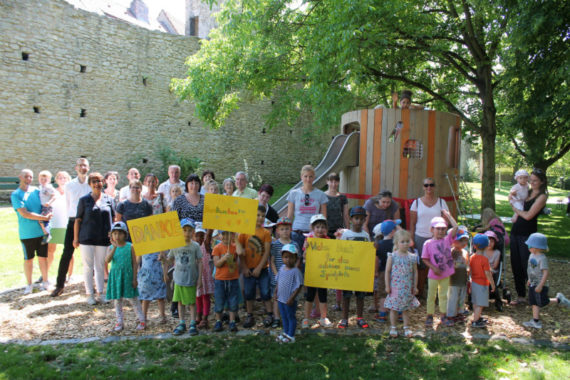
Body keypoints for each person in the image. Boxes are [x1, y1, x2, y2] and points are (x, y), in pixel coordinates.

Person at [51, 157, 91, 297]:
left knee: (89, 254)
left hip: (88, 221)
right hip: (73, 221)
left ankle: (91, 287)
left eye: (85, 165)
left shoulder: (91, 184)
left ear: (88, 168)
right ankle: (59, 285)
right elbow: (69, 205)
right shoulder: (70, 185)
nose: (82, 168)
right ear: (76, 168)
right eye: (80, 165)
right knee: (67, 253)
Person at [75, 172, 116, 305]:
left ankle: (101, 293)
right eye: (94, 181)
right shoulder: (84, 200)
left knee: (100, 266)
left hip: (103, 238)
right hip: (86, 238)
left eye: (99, 181)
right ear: (90, 184)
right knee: (88, 267)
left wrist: (113, 235)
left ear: (103, 182)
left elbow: (114, 219)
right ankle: (89, 294)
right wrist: (75, 238)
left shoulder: (109, 200)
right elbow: (77, 220)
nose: (97, 184)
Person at [509, 169, 548, 305]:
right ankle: (521, 295)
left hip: (528, 234)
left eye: (535, 180)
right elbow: (514, 197)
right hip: (516, 231)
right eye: (530, 179)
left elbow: (528, 216)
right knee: (516, 263)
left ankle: (535, 293)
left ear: (542, 181)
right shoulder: (528, 191)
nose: (531, 182)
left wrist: (514, 208)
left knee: (529, 264)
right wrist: (512, 197)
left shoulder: (542, 196)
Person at [11, 169, 51, 294]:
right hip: (27, 233)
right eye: (26, 177)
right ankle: (29, 284)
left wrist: (49, 212)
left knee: (43, 258)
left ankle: (45, 281)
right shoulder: (16, 194)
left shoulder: (36, 191)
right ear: (20, 177)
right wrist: (43, 218)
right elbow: (24, 214)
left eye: (30, 177)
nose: (28, 179)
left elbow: (49, 201)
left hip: (42, 232)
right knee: (28, 259)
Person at [409, 177, 450, 298]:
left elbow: (446, 221)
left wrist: (444, 236)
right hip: (420, 237)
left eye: (431, 185)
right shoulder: (416, 203)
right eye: (426, 185)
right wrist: (411, 239)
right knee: (421, 266)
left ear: (435, 187)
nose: (429, 188)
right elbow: (412, 223)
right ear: (423, 187)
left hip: (436, 238)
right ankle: (420, 292)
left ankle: (437, 295)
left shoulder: (442, 202)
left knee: (437, 264)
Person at [236, 205, 274, 328]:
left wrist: (259, 268)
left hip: (262, 269)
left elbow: (267, 252)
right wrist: (245, 268)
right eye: (257, 215)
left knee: (265, 292)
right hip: (248, 269)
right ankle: (249, 315)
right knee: (249, 293)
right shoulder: (244, 232)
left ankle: (270, 314)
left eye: (263, 216)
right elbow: (240, 252)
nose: (260, 218)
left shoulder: (266, 233)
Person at [138, 173, 167, 324]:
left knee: (160, 274)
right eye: (148, 181)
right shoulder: (140, 198)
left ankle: (162, 315)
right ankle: (144, 315)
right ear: (145, 182)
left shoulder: (161, 197)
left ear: (156, 182)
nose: (150, 183)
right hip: (145, 238)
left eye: (153, 181)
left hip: (159, 238)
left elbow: (167, 215)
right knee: (146, 275)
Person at [165, 219, 203, 336]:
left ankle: (192, 323)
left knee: (192, 302)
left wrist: (200, 278)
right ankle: (182, 323)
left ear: (193, 232)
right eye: (184, 230)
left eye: (189, 230)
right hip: (178, 279)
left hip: (191, 278)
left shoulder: (195, 246)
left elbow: (200, 261)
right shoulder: (175, 245)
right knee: (180, 302)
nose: (187, 233)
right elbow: (169, 259)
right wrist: (163, 261)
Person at [105, 221, 145, 331]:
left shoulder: (130, 246)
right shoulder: (110, 248)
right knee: (117, 301)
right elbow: (107, 260)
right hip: (116, 277)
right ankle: (119, 322)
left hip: (128, 276)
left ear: (125, 234)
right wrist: (114, 248)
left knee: (133, 299)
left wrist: (134, 278)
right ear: (111, 235)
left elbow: (134, 262)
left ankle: (141, 320)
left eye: (120, 233)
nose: (117, 236)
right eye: (115, 234)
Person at [421, 212, 458, 327]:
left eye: (443, 229)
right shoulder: (428, 243)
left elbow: (456, 227)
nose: (441, 231)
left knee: (443, 295)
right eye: (438, 229)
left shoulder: (447, 240)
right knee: (431, 296)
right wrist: (433, 268)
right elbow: (424, 259)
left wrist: (448, 215)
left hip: (445, 273)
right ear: (432, 229)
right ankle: (429, 315)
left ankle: (443, 315)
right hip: (433, 274)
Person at [338, 206, 371, 329]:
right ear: (351, 219)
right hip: (348, 270)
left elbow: (368, 253)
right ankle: (344, 318)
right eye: (356, 218)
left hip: (360, 272)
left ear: (364, 220)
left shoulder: (366, 235)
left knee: (360, 296)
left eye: (361, 219)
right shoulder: (346, 235)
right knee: (346, 295)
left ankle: (360, 318)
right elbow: (340, 251)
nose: (358, 221)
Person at [384, 230, 420, 338]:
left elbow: (415, 272)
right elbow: (387, 271)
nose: (405, 244)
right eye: (402, 241)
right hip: (395, 288)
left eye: (407, 241)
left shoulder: (412, 257)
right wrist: (387, 285)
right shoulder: (392, 256)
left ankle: (406, 327)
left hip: (407, 288)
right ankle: (393, 327)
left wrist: (415, 286)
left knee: (405, 309)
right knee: (394, 309)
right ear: (396, 243)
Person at [301, 214, 332, 328]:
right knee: (310, 295)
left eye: (323, 227)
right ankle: (306, 318)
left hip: (323, 273)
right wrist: (306, 247)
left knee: (323, 295)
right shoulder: (309, 240)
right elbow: (304, 256)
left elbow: (333, 254)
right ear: (312, 228)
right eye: (317, 227)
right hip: (312, 273)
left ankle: (323, 318)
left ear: (326, 229)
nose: (320, 229)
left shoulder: (328, 240)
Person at [287, 165, 328, 250]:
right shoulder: (293, 193)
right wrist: (287, 230)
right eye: (305, 176)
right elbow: (290, 215)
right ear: (301, 177)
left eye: (310, 176)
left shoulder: (321, 194)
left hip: (314, 234)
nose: (308, 179)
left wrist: (324, 232)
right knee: (296, 259)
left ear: (314, 178)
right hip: (296, 232)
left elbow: (324, 217)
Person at [270, 217, 297, 328]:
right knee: (277, 297)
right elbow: (271, 261)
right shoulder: (275, 245)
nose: (285, 231)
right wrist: (277, 274)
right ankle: (277, 318)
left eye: (287, 229)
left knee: (289, 297)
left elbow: (297, 260)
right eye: (282, 229)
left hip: (290, 277)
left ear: (291, 229)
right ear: (277, 231)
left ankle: (289, 316)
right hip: (278, 277)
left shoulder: (294, 244)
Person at [372, 219, 401, 322]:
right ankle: (400, 314)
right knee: (397, 293)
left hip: (383, 272)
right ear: (393, 231)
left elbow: (376, 259)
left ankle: (382, 314)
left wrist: (375, 272)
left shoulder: (379, 245)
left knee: (383, 294)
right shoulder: (397, 244)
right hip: (396, 272)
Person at [274, 244, 304, 343]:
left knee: (290, 316)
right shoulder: (282, 268)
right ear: (282, 258)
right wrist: (275, 292)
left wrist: (292, 298)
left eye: (291, 257)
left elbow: (299, 286)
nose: (288, 259)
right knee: (284, 316)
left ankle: (291, 335)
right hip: (281, 299)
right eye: (286, 257)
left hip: (289, 300)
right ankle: (286, 332)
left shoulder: (296, 271)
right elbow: (278, 281)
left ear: (296, 258)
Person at [212, 230, 240, 332]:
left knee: (233, 301)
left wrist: (236, 239)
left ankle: (232, 322)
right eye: (224, 234)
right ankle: (218, 321)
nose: (226, 236)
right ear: (220, 235)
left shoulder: (234, 247)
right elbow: (217, 264)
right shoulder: (217, 248)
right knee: (219, 301)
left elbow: (240, 253)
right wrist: (224, 258)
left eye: (229, 234)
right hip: (220, 280)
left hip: (233, 279)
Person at [46, 171, 72, 276]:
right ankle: (45, 274)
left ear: (68, 179)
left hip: (67, 224)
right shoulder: (53, 192)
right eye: (60, 178)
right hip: (54, 224)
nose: (62, 180)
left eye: (64, 178)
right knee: (50, 250)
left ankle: (70, 275)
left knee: (69, 251)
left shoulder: (71, 192)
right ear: (56, 180)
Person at [444, 228, 470, 326]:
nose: (463, 243)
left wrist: (468, 270)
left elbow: (467, 264)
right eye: (460, 241)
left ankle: (460, 312)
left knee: (461, 297)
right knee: (452, 297)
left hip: (462, 279)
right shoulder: (451, 252)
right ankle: (451, 314)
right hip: (453, 280)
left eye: (465, 240)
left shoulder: (465, 252)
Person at [469, 234, 495, 328]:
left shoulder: (472, 257)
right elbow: (488, 273)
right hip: (482, 284)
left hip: (474, 282)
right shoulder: (484, 260)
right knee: (480, 304)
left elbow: (470, 271)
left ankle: (477, 317)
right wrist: (492, 284)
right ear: (487, 246)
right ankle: (475, 321)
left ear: (474, 245)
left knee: (475, 302)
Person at [194, 223, 215, 329]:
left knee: (205, 296)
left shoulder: (205, 245)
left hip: (205, 276)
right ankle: (198, 314)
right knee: (198, 296)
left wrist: (210, 227)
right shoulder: (193, 246)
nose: (199, 238)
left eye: (202, 235)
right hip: (197, 275)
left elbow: (209, 235)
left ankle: (205, 317)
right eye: (197, 235)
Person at [324, 172, 349, 239]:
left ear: (338, 182)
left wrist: (348, 231)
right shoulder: (322, 196)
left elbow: (345, 215)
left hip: (339, 231)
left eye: (336, 182)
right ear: (327, 182)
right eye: (331, 181)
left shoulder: (342, 197)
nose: (333, 184)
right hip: (325, 230)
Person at [38, 170, 56, 243]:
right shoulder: (40, 187)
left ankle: (48, 234)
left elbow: (54, 196)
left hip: (47, 206)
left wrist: (49, 202)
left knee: (43, 220)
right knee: (40, 220)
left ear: (49, 180)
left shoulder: (49, 187)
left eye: (45, 179)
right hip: (42, 206)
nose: (43, 181)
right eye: (41, 179)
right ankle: (46, 233)